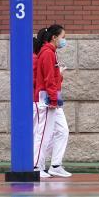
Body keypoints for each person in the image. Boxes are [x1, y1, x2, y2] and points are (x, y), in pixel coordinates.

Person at [33, 25, 71, 178]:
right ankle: (36, 166)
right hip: (47, 100)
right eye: (62, 36)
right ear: (54, 37)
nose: (64, 40)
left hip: (50, 98)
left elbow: (51, 77)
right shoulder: (48, 53)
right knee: (43, 134)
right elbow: (48, 78)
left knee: (61, 131)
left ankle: (53, 165)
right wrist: (54, 99)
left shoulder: (50, 52)